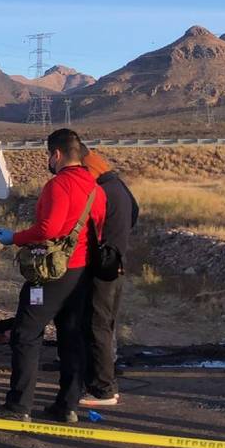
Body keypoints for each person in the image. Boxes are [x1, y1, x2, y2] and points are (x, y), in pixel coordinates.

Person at [0, 128, 106, 423]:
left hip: (52, 273)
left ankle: (18, 406)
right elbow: (99, 229)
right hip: (82, 273)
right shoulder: (95, 188)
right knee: (71, 337)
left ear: (56, 154)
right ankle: (67, 406)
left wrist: (14, 237)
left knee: (26, 334)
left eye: (48, 156)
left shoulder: (59, 185)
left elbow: (49, 229)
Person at [79, 148, 139, 407]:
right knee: (107, 326)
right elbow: (135, 213)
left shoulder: (101, 191)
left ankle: (102, 389)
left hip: (103, 269)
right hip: (117, 266)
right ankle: (106, 381)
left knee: (97, 326)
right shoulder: (120, 187)